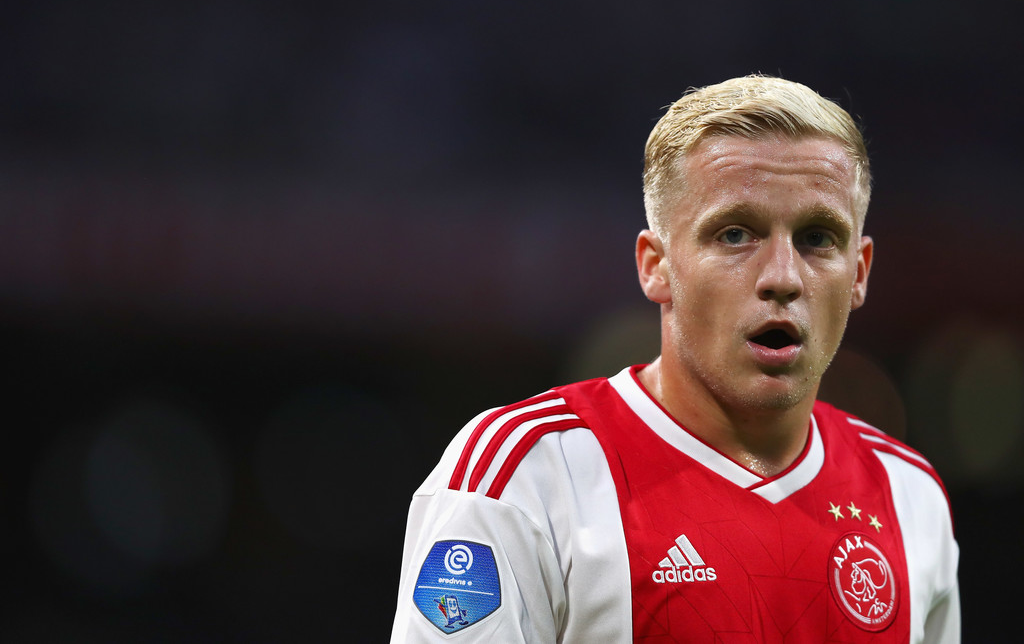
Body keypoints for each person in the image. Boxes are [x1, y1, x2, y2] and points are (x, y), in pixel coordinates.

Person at [390, 75, 959, 642]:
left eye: (816, 238)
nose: (783, 276)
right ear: (655, 266)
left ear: (858, 273)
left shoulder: (909, 497)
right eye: (736, 234)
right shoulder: (523, 480)